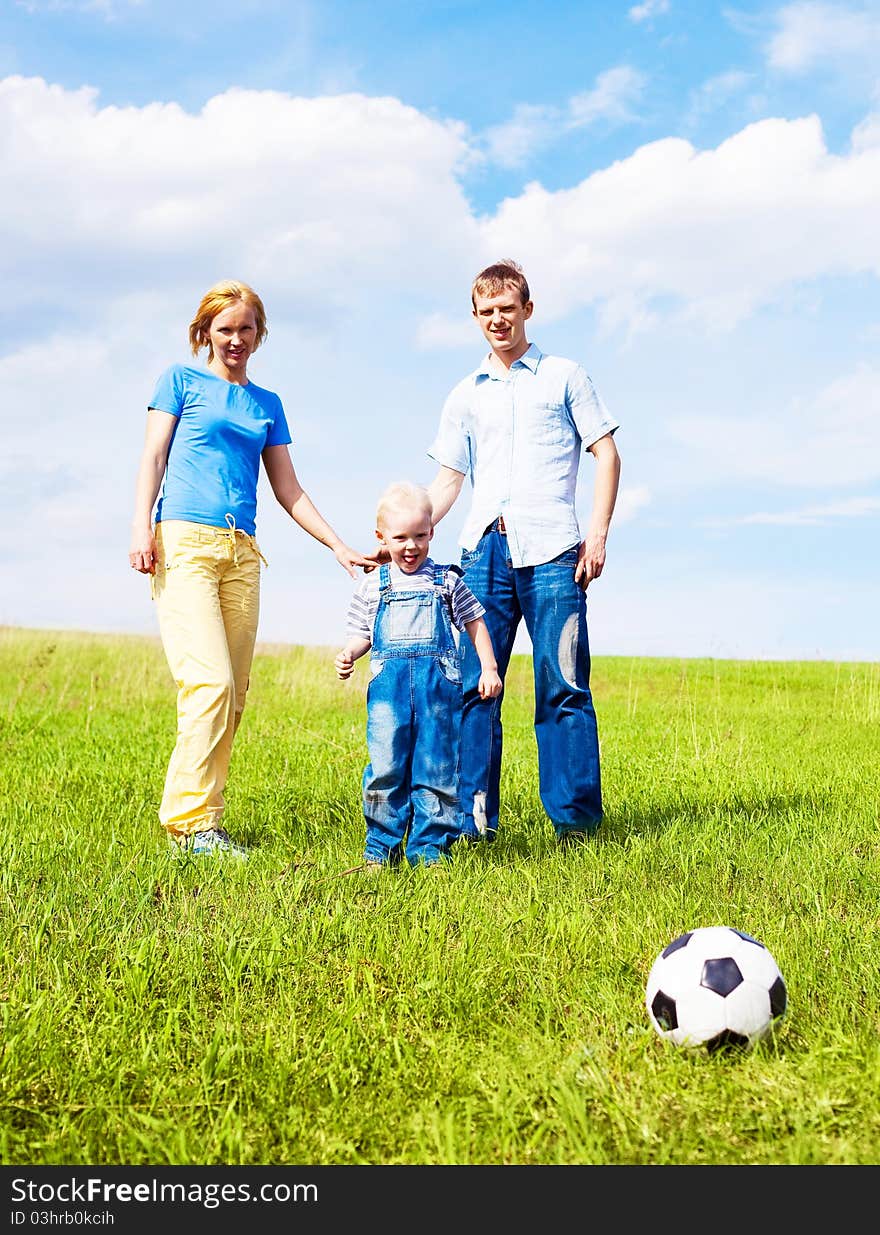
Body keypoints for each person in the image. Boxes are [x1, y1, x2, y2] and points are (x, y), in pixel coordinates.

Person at [129, 279, 369, 859]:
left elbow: (288, 489)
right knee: (208, 683)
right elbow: (154, 455)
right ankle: (189, 826)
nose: (235, 339)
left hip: (243, 554)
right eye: (225, 328)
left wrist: (338, 547)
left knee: (233, 695)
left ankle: (205, 820)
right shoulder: (180, 381)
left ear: (260, 334)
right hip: (184, 540)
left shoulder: (268, 404)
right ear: (204, 331)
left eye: (246, 328)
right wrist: (142, 527)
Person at [426, 259, 621, 848]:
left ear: (527, 310)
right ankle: (472, 824)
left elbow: (606, 454)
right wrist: (404, 536)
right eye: (486, 312)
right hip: (483, 551)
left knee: (562, 683)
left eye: (507, 309)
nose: (498, 320)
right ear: (475, 317)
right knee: (474, 686)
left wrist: (599, 533)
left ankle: (577, 826)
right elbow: (447, 482)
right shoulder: (464, 395)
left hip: (555, 551)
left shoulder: (564, 375)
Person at [335, 482, 502, 869]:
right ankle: (381, 847)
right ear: (382, 538)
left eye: (420, 536)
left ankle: (430, 850)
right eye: (400, 538)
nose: (411, 546)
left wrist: (489, 667)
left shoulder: (447, 581)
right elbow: (362, 634)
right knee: (385, 768)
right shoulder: (372, 587)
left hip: (438, 695)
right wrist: (349, 654)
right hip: (388, 700)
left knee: (437, 769)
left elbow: (475, 622)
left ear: (432, 532)